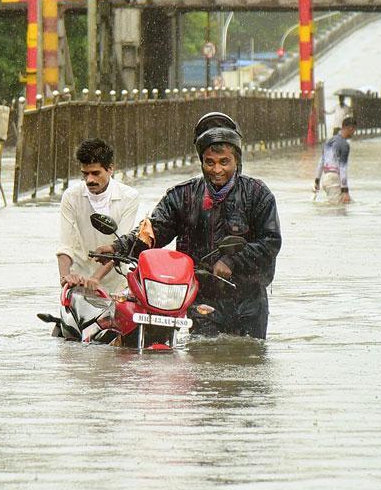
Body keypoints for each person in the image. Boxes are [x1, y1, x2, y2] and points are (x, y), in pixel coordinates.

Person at [97, 112, 282, 339]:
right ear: (201, 161)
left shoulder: (257, 194)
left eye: (224, 162)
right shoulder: (182, 196)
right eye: (210, 162)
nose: (217, 170)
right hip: (200, 298)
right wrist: (119, 248)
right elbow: (153, 231)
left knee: (249, 358)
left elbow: (270, 242)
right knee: (202, 358)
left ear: (237, 161)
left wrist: (232, 260)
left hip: (249, 301)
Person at [56, 138, 140, 293]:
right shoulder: (71, 196)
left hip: (115, 282)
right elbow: (65, 244)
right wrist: (65, 276)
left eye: (95, 173)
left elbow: (121, 245)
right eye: (85, 174)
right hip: (78, 280)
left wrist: (96, 278)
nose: (89, 180)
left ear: (110, 169)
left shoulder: (129, 197)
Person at [314, 116, 356, 204]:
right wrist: (345, 190)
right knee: (338, 210)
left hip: (325, 178)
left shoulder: (329, 142)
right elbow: (343, 168)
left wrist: (317, 181)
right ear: (350, 128)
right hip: (334, 179)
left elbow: (321, 162)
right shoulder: (344, 145)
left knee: (349, 204)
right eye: (354, 130)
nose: (354, 133)